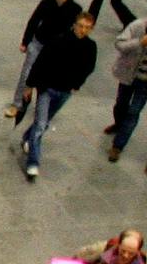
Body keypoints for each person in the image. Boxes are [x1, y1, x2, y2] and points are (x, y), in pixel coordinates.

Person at [22, 12, 99, 178]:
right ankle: (33, 162)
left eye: (87, 27)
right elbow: (40, 62)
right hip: (47, 88)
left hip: (65, 91)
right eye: (81, 26)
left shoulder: (90, 47)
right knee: (41, 124)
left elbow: (88, 68)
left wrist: (76, 85)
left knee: (43, 121)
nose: (83, 30)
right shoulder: (58, 40)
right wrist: (30, 85)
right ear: (74, 25)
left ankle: (27, 137)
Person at [8, 0, 83, 121]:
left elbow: (74, 30)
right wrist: (25, 41)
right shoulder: (47, 3)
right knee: (26, 73)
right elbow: (34, 21)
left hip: (56, 48)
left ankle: (42, 105)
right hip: (39, 42)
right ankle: (18, 104)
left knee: (48, 78)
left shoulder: (75, 9)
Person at [106, 6, 147, 162]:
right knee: (121, 104)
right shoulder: (138, 26)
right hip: (128, 75)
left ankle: (118, 146)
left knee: (134, 112)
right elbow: (119, 44)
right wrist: (140, 42)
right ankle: (118, 123)